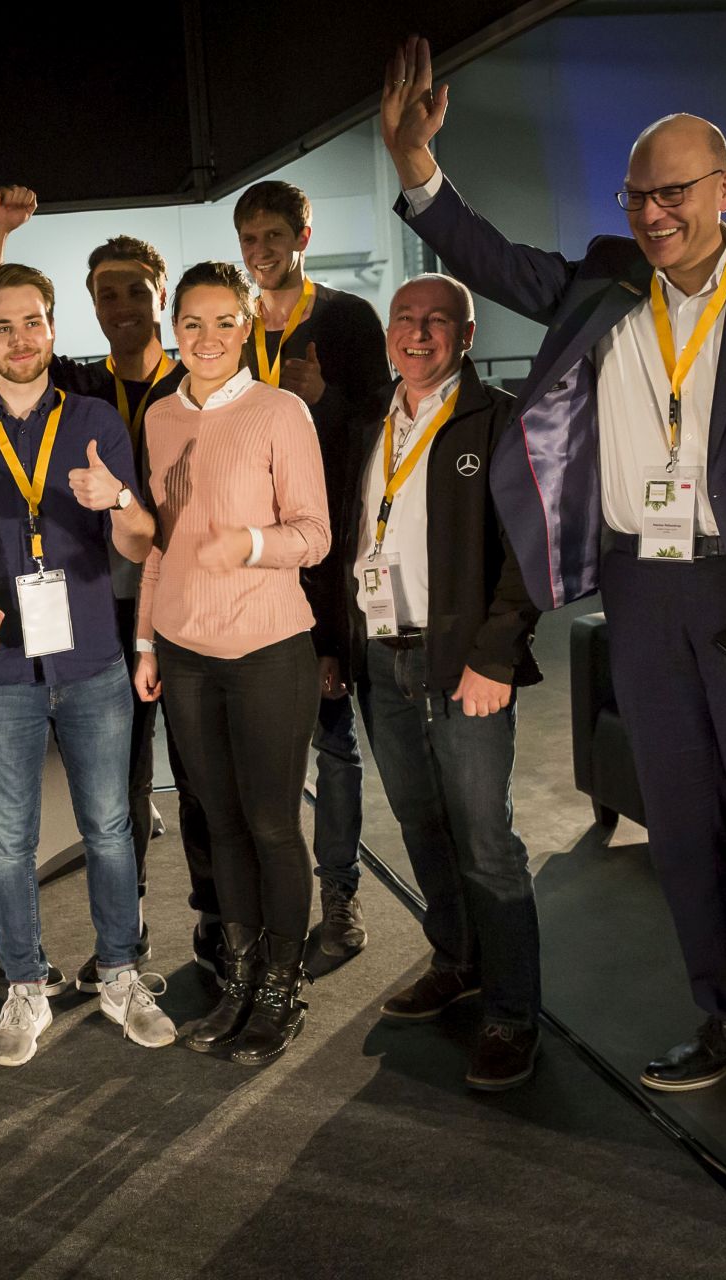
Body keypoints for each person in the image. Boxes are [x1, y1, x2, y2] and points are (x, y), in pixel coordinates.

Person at [382, 38, 726, 1169]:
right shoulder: (606, 285)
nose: (655, 213)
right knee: (684, 830)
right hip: (641, 590)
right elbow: (491, 257)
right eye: (637, 195)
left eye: (674, 192)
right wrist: (418, 167)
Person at [0, 263, 176, 1068]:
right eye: (1, 326)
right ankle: (26, 985)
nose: (19, 338)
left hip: (93, 659)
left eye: (32, 321)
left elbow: (139, 543)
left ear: (52, 326)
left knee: (111, 828)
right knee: (9, 843)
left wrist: (119, 501)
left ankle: (120, 974)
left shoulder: (96, 419)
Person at [0, 190, 213, 976]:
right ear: (89, 305)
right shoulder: (78, 383)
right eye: (107, 293)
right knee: (125, 789)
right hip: (108, 608)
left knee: (202, 776)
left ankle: (216, 929)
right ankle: (126, 939)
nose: (122, 305)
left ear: (160, 294)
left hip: (193, 602)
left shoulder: (198, 382)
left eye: (136, 290)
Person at [345, 274, 544, 1090]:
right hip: (380, 655)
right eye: (405, 318)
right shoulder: (369, 422)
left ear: (466, 334)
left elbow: (531, 549)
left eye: (437, 320)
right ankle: (456, 960)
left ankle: (513, 1013)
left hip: (464, 661)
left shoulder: (501, 420)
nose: (418, 332)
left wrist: (497, 656)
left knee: (486, 841)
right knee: (421, 823)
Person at [131, 262, 331, 1067]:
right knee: (218, 823)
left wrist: (246, 543)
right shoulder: (159, 417)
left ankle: (282, 986)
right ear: (173, 329)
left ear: (245, 329)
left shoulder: (280, 412)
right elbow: (159, 542)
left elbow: (314, 534)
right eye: (192, 323)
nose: (207, 338)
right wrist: (146, 640)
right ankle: (240, 979)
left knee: (271, 824)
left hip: (267, 648)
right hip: (184, 653)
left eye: (223, 322)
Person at [231, 180, 392, 978]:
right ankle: (267, 901)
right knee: (257, 749)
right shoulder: (233, 326)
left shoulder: (348, 320)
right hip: (250, 562)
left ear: (303, 235)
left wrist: (321, 403)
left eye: (272, 237)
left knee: (333, 742)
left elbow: (380, 430)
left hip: (326, 555)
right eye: (248, 240)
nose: (260, 253)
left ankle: (340, 892)